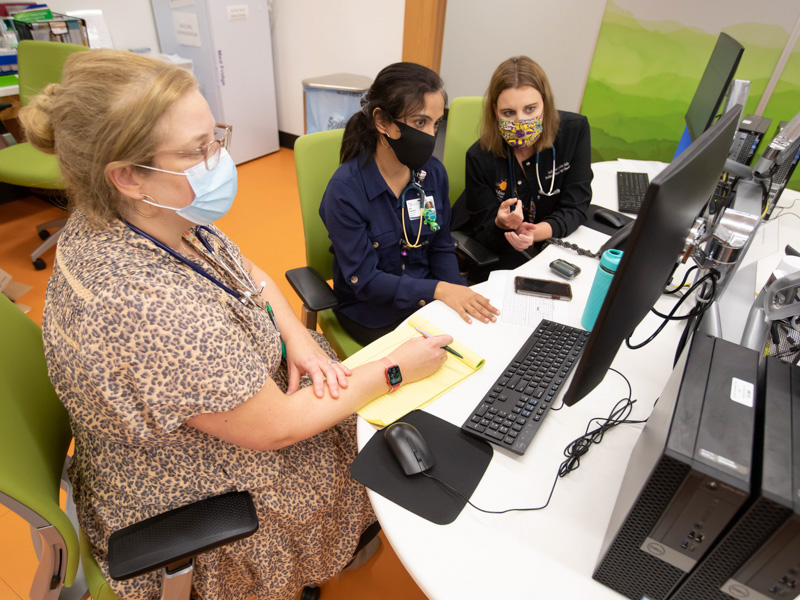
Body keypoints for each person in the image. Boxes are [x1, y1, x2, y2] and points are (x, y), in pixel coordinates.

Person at [23, 49, 453, 600]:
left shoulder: (154, 216)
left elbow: (244, 269)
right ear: (128, 176)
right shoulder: (142, 305)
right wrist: (394, 370)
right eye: (198, 150)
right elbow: (275, 428)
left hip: (231, 404)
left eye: (215, 137)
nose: (218, 159)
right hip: (191, 491)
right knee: (370, 444)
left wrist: (294, 335)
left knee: (350, 401)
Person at [320, 62, 499, 345]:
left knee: (484, 342)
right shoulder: (345, 191)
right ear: (382, 122)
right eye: (419, 122)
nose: (430, 134)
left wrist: (457, 292)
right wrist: (440, 290)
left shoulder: (433, 174)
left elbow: (440, 246)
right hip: (373, 313)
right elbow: (365, 282)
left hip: (428, 301)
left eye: (436, 123)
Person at [453, 56, 593, 280]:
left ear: (545, 103)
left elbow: (577, 205)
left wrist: (536, 233)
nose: (520, 122)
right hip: (503, 251)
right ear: (494, 111)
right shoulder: (479, 157)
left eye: (530, 109)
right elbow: (485, 233)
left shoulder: (574, 132)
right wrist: (501, 223)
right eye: (508, 113)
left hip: (549, 242)